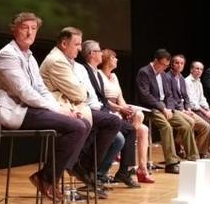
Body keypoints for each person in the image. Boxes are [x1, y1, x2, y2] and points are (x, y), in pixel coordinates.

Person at [0, 13, 90, 202]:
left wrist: (62, 109)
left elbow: (41, 89)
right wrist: (58, 110)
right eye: (25, 27)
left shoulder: (29, 56)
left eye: (34, 28)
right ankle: (46, 178)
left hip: (32, 109)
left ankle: (48, 177)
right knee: (76, 126)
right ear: (14, 29)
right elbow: (25, 92)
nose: (30, 32)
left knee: (82, 123)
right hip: (15, 112)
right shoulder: (7, 55)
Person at [40, 28, 121, 197]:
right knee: (98, 123)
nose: (79, 49)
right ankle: (79, 168)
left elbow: (80, 92)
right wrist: (80, 94)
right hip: (59, 108)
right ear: (64, 44)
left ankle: (82, 168)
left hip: (74, 107)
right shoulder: (57, 61)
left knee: (106, 123)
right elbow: (80, 93)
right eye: (77, 45)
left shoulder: (67, 62)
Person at [78, 40, 140, 188]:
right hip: (93, 112)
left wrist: (121, 110)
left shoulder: (96, 74)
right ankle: (95, 173)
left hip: (104, 111)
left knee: (131, 129)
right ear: (92, 54)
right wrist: (116, 110)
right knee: (119, 138)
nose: (101, 53)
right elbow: (91, 98)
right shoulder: (85, 71)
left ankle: (123, 171)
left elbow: (103, 99)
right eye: (99, 51)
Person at [135, 49, 199, 174]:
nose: (164, 68)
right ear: (155, 61)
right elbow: (145, 96)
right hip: (150, 108)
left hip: (165, 108)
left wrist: (169, 108)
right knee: (166, 127)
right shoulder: (144, 72)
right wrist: (162, 108)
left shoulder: (163, 74)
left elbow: (169, 95)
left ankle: (193, 158)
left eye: (166, 65)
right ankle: (171, 163)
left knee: (186, 125)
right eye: (162, 64)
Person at [98, 49, 154, 183]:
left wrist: (127, 109)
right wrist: (120, 109)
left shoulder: (114, 76)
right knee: (134, 129)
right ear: (107, 59)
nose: (117, 60)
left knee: (142, 124)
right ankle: (127, 160)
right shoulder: (99, 75)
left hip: (118, 111)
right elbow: (103, 101)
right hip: (107, 111)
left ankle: (141, 169)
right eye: (114, 57)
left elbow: (120, 98)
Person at [184, 60, 210, 156]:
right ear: (191, 70)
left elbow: (202, 99)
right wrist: (205, 112)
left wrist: (209, 110)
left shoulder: (199, 82)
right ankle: (200, 151)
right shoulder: (187, 81)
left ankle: (207, 143)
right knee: (207, 121)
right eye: (197, 69)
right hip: (192, 109)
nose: (199, 71)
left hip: (200, 109)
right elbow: (191, 102)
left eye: (201, 69)